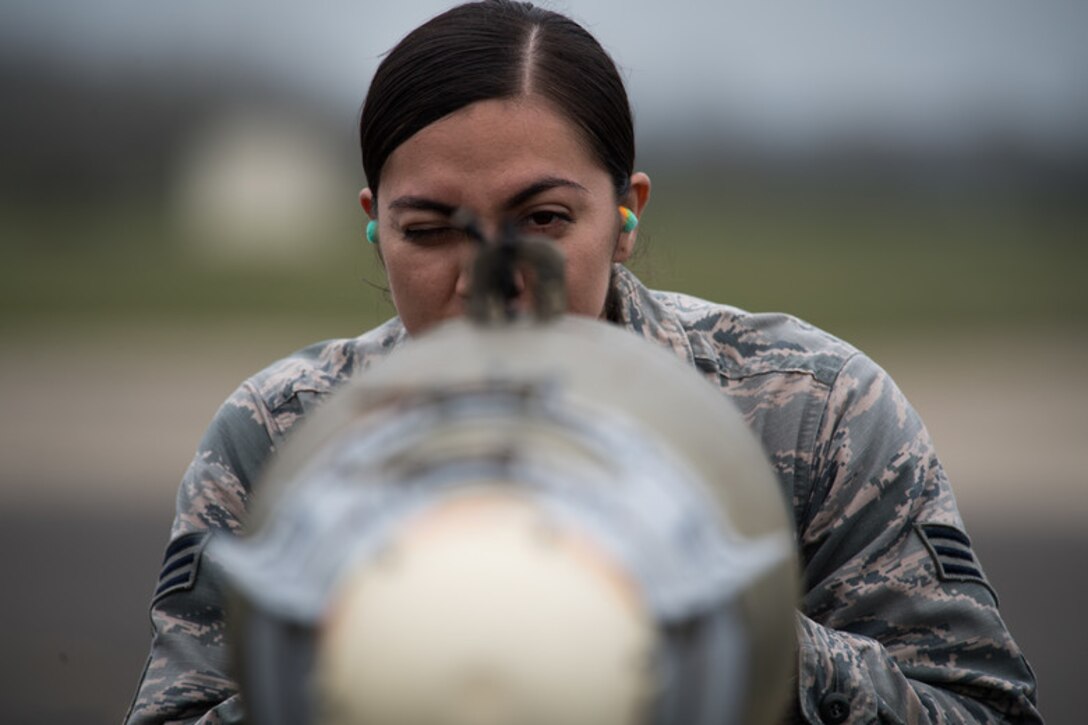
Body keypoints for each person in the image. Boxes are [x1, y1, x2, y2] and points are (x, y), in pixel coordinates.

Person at [124, 2, 1041, 723]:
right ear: (374, 224)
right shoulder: (281, 435)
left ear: (626, 211)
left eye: (547, 219)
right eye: (430, 229)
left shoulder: (811, 408)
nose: (492, 274)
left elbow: (980, 706)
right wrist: (356, 644)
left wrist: (742, 637)